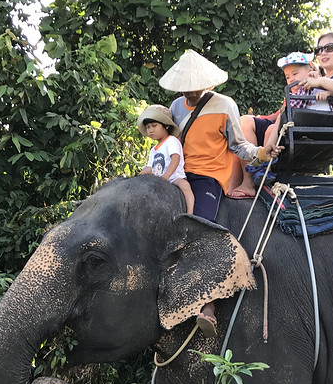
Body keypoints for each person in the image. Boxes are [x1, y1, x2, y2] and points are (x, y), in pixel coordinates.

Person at [159, 49, 281, 335]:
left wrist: (262, 153)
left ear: (207, 83)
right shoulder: (176, 106)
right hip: (178, 174)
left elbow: (239, 144)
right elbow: (171, 143)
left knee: (203, 228)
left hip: (208, 177)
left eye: (194, 84)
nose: (190, 91)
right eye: (185, 85)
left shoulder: (225, 105)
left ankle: (207, 303)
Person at [233, 51, 320, 198]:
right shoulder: (293, 94)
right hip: (280, 121)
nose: (291, 79)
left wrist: (316, 78)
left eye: (295, 73)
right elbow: (280, 113)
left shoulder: (313, 85)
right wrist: (261, 117)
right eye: (287, 77)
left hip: (290, 129)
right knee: (246, 121)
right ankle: (247, 181)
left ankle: (262, 168)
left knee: (271, 129)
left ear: (310, 70)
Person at [137, 104, 195, 213]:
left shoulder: (171, 141)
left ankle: (190, 213)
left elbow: (175, 158)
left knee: (185, 186)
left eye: (154, 126)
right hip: (158, 178)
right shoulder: (154, 149)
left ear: (166, 126)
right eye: (148, 127)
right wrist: (141, 174)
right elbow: (150, 167)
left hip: (174, 177)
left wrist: (166, 176)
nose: (150, 130)